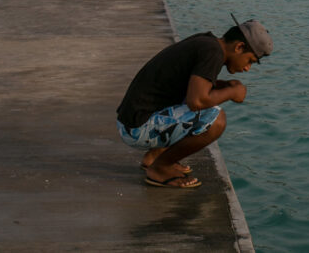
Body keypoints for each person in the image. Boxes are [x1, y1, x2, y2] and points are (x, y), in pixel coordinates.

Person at [116, 19, 273, 189]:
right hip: (137, 129)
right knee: (216, 120)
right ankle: (160, 168)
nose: (247, 68)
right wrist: (231, 92)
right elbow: (196, 101)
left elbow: (192, 82)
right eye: (250, 60)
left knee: (208, 100)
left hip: (131, 120)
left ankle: (154, 156)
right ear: (239, 47)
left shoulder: (207, 43)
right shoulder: (213, 54)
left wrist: (225, 86)